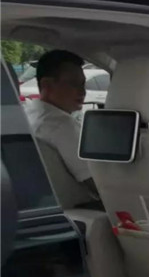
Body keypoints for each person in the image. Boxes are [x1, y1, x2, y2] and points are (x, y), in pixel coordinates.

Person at [24, 49, 99, 200]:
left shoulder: (29, 114)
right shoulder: (61, 125)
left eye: (83, 84)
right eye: (73, 83)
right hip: (85, 206)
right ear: (46, 85)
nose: (82, 91)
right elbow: (97, 183)